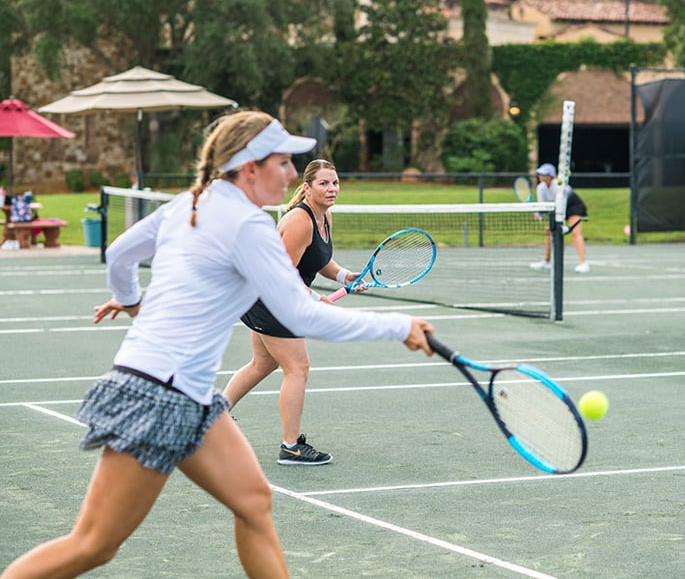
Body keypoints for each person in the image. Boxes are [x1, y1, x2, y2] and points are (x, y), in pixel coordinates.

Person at [0, 111, 434, 579]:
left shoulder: (193, 201)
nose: (292, 175)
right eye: (284, 163)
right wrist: (398, 326)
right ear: (251, 168)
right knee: (93, 545)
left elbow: (121, 254)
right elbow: (300, 314)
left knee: (253, 502)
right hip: (157, 394)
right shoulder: (248, 225)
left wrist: (130, 301)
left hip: (188, 393)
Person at [223, 158, 356, 466]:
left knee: (262, 363)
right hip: (271, 298)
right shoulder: (300, 220)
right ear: (307, 188)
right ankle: (292, 447)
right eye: (323, 183)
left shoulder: (324, 217)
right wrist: (313, 298)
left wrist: (344, 276)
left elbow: (320, 261)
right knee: (298, 368)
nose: (331, 188)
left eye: (335, 183)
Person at [529, 162, 590, 273]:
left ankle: (583, 263)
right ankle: (547, 262)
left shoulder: (559, 185)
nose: (540, 176)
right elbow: (543, 205)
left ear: (551, 176)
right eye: (539, 174)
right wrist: (539, 215)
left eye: (543, 174)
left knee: (575, 232)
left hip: (573, 206)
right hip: (558, 209)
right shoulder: (540, 188)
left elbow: (564, 202)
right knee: (548, 231)